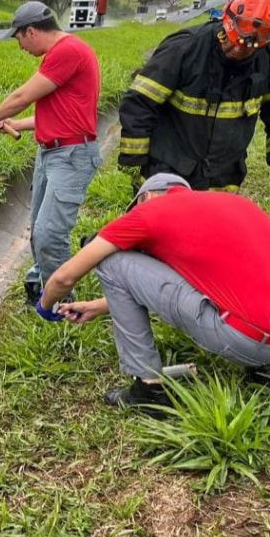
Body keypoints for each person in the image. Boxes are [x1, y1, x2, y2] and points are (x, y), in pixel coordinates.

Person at [35, 173, 270, 414]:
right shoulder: (231, 203)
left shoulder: (149, 212)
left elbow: (65, 277)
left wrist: (44, 305)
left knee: (112, 262)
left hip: (247, 340)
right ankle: (263, 369)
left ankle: (149, 390)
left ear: (145, 197)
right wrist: (99, 306)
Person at [0, 1, 102, 305]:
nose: (21, 47)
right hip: (53, 154)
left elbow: (22, 96)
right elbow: (61, 115)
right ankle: (42, 287)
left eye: (19, 39)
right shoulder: (64, 53)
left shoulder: (66, 51)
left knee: (49, 234)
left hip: (70, 157)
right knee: (39, 230)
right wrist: (15, 124)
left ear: (30, 31)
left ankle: (62, 305)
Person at [118, 0, 270, 191]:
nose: (236, 50)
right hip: (167, 172)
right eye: (230, 41)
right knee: (162, 223)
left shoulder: (265, 62)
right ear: (225, 22)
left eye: (247, 47)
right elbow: (139, 102)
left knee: (211, 223)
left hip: (223, 178)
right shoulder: (184, 48)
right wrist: (133, 162)